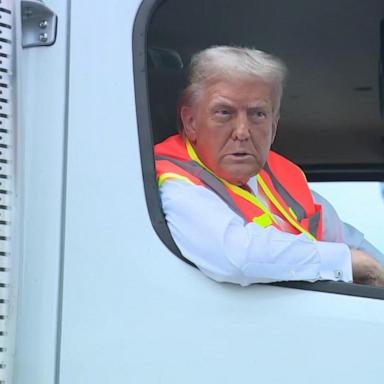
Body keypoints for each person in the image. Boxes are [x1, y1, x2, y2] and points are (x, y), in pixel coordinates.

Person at [154, 46, 384, 287]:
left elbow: (354, 245)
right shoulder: (174, 181)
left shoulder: (282, 178)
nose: (242, 132)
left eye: (257, 114)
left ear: (273, 128)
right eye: (224, 113)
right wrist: (345, 263)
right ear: (190, 122)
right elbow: (235, 256)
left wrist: (368, 266)